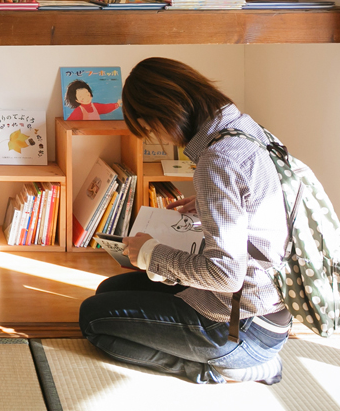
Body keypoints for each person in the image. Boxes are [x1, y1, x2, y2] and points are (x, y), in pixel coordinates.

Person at [79, 57, 291, 385]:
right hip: (269, 306)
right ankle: (231, 357)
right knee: (108, 291)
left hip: (239, 323)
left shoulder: (217, 162)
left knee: (92, 319)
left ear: (164, 114)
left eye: (151, 129)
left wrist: (151, 253)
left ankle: (223, 369)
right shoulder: (244, 128)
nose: (159, 139)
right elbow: (258, 205)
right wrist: (205, 206)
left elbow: (226, 275)